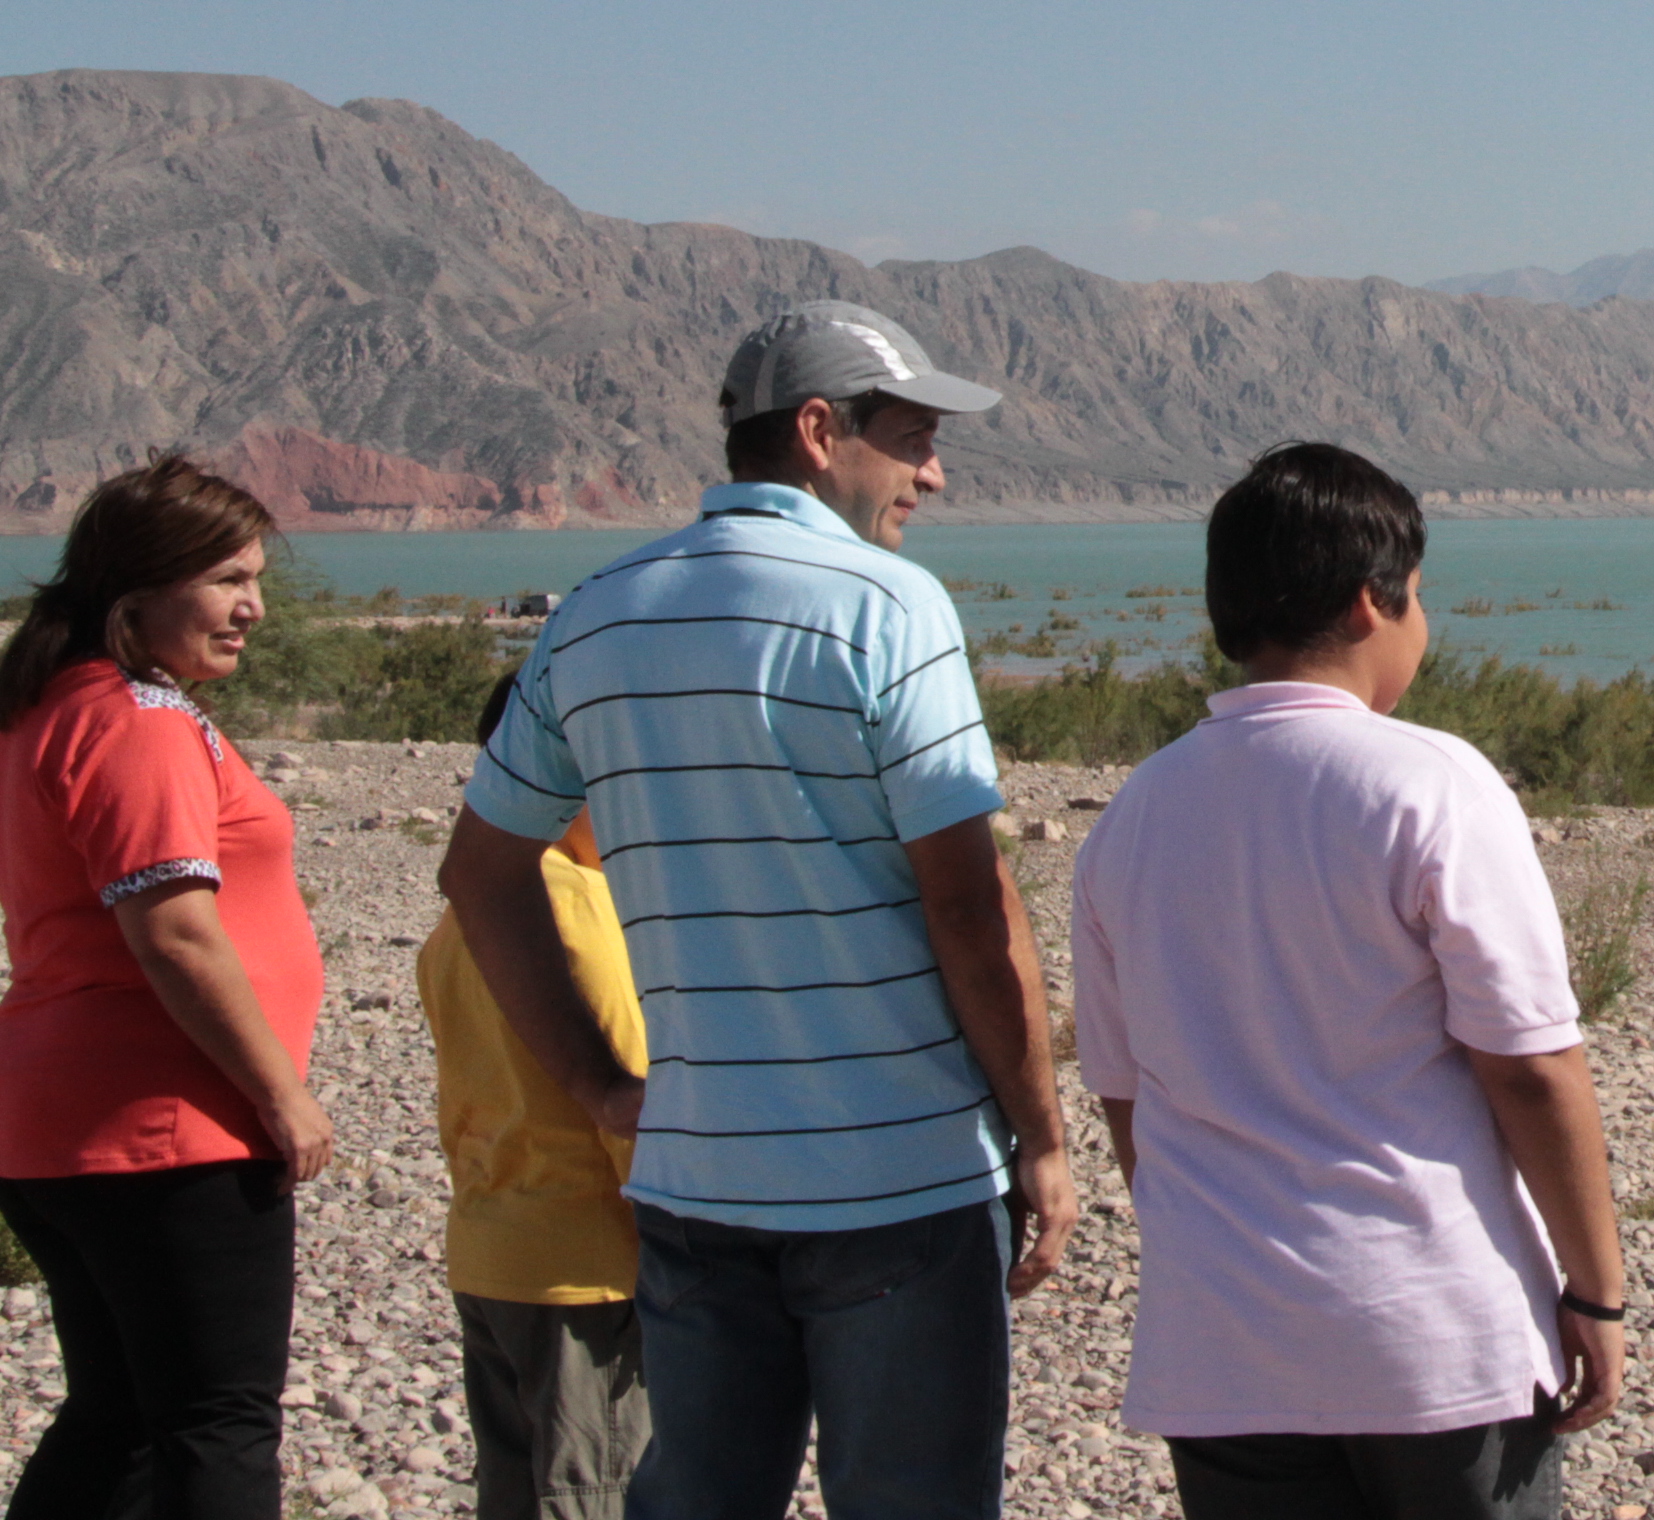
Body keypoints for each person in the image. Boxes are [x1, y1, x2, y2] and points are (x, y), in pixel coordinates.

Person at [437, 302, 1077, 1520]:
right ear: (821, 432)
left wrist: (600, 1089)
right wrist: (1041, 1138)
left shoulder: (594, 612)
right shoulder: (887, 605)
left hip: (695, 1183)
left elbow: (478, 874)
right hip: (901, 1180)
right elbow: (967, 904)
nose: (934, 474)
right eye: (914, 439)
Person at [1072, 442, 1629, 1520]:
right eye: (1421, 592)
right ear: (1374, 602)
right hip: (1427, 1335)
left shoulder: (1135, 812)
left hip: (1220, 1342)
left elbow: (1125, 1095)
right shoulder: (1433, 784)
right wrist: (1595, 1292)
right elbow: (1531, 1067)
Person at [0, 454, 331, 1520]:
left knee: (122, 1419)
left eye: (255, 579)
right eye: (227, 579)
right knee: (217, 1424)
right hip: (166, 1125)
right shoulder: (136, 719)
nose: (253, 607)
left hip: (66, 1121)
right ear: (138, 593)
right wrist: (282, 1092)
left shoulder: (56, 703)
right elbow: (177, 935)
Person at [417, 670, 649, 1520]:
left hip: (492, 1247)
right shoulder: (576, 907)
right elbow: (635, 1103)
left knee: (515, 1486)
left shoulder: (471, 910)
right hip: (588, 1269)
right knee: (596, 1491)